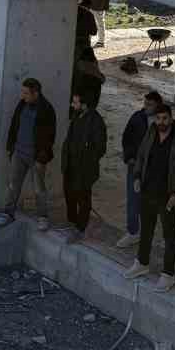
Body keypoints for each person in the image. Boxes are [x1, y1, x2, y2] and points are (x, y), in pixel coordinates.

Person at [124, 104, 175, 290]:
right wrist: (138, 176)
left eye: (164, 118)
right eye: (158, 119)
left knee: (169, 235)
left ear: (170, 118)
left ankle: (168, 274)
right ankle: (142, 263)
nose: (161, 122)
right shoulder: (151, 133)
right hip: (148, 191)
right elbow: (141, 156)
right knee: (146, 229)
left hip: (168, 196)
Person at [0, 78, 57, 228]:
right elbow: (14, 125)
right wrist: (10, 147)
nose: (22, 95)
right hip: (19, 152)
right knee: (13, 185)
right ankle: (8, 213)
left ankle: (43, 217)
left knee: (39, 189)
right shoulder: (22, 104)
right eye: (22, 92)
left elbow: (50, 137)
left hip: (36, 156)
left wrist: (41, 157)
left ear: (35, 93)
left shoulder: (46, 110)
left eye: (26, 93)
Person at [115, 92, 163, 249]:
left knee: (151, 203)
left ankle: (149, 233)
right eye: (145, 103)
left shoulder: (163, 121)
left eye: (150, 104)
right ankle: (133, 232)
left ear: (157, 105)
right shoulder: (137, 117)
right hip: (135, 166)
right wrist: (129, 157)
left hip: (154, 170)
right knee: (133, 199)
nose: (146, 107)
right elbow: (126, 138)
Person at [61, 92, 107, 240]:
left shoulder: (96, 121)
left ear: (84, 105)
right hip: (71, 164)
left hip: (84, 168)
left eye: (75, 103)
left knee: (83, 198)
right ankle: (73, 222)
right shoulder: (76, 116)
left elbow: (100, 148)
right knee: (69, 194)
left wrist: (87, 159)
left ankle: (80, 228)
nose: (72, 105)